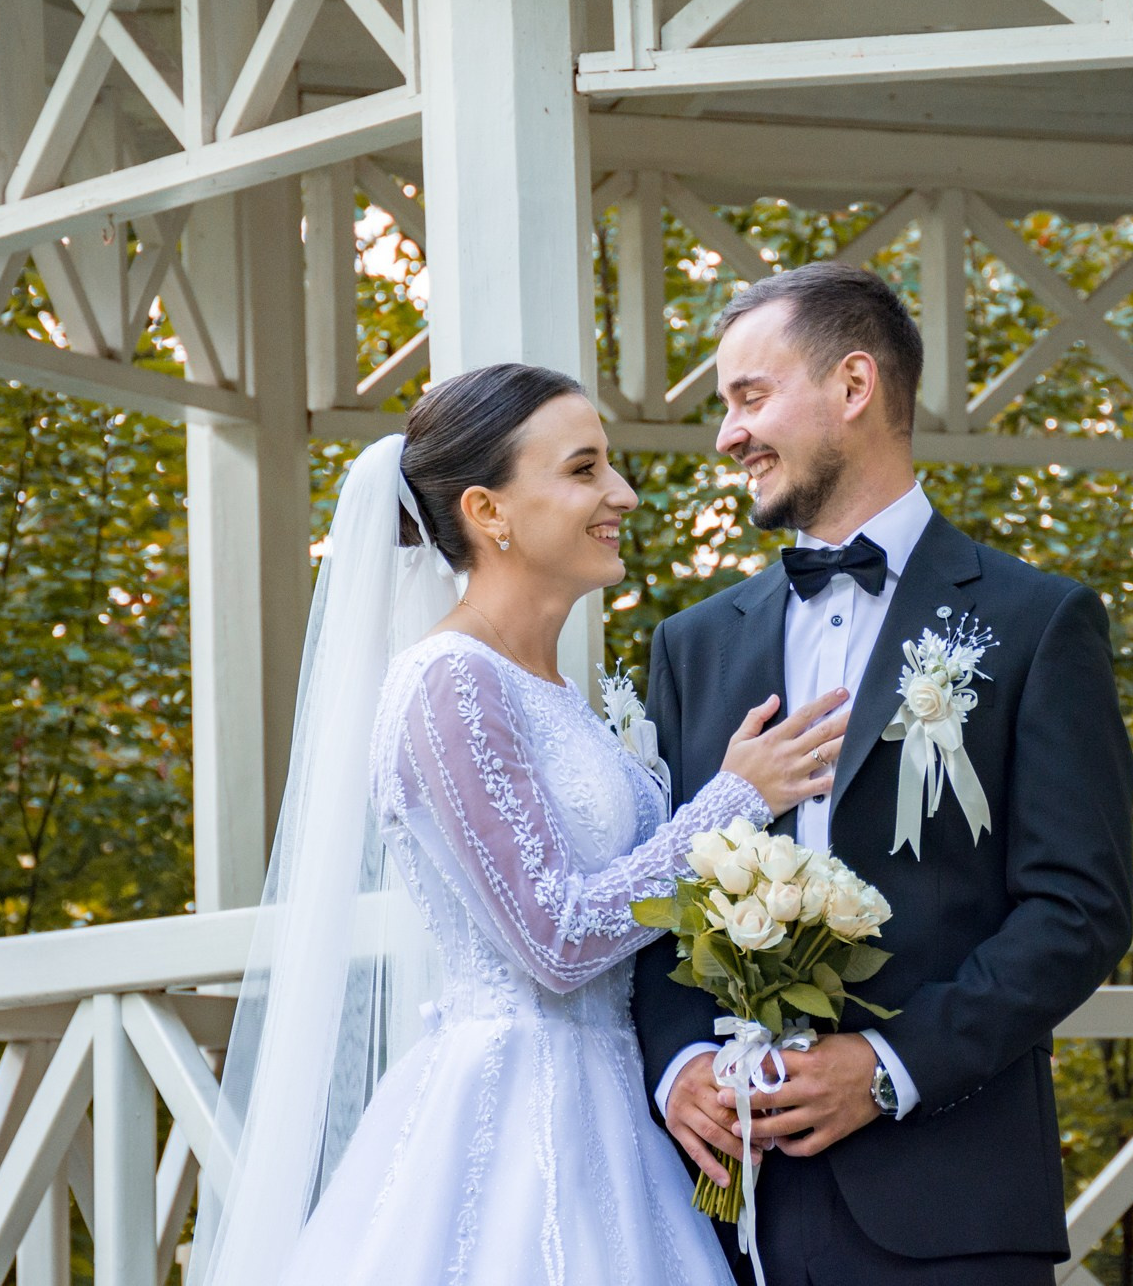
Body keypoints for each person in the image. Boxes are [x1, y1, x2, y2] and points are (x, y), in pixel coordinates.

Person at [190, 363, 851, 1286]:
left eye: (610, 466)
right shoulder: (447, 683)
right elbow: (555, 936)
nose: (622, 492)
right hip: (514, 1122)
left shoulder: (561, 697)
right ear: (488, 512)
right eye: (584, 470)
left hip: (620, 1109)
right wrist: (734, 803)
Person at [634, 263, 1133, 1285]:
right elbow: (656, 884)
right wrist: (679, 1066)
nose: (726, 436)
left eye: (748, 397)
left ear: (853, 387)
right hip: (718, 1216)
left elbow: (1077, 908)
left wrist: (889, 1070)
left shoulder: (1033, 622)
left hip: (947, 1201)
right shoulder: (690, 647)